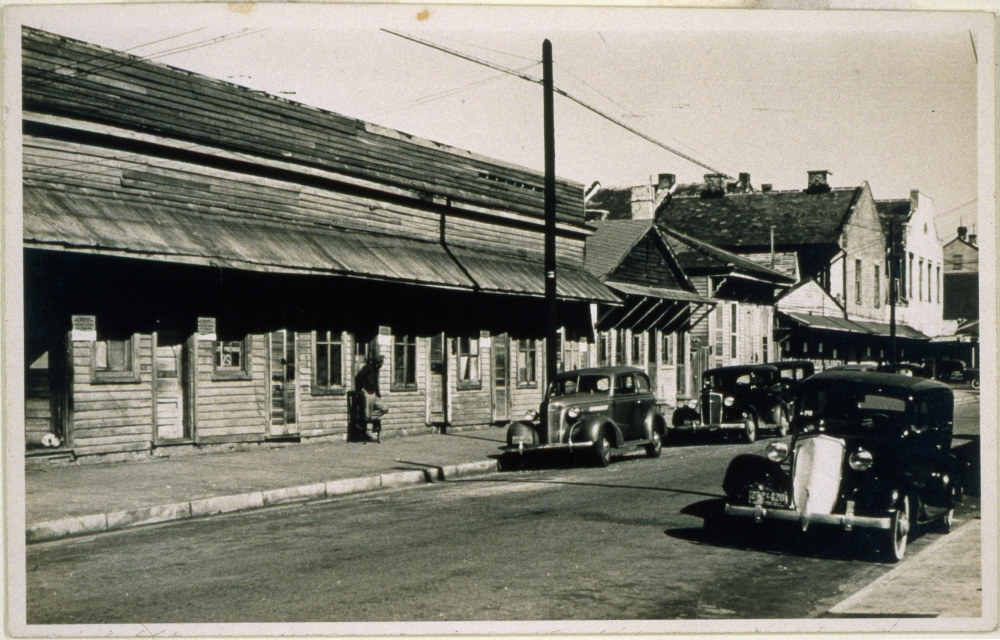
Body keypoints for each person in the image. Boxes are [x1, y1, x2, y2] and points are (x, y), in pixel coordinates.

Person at [355, 354, 388, 440]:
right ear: (378, 363)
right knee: (366, 414)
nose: (382, 364)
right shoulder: (368, 368)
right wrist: (363, 387)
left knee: (384, 408)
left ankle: (365, 419)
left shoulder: (376, 370)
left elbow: (376, 383)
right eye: (381, 363)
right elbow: (359, 376)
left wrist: (378, 394)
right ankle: (363, 425)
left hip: (374, 394)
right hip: (368, 393)